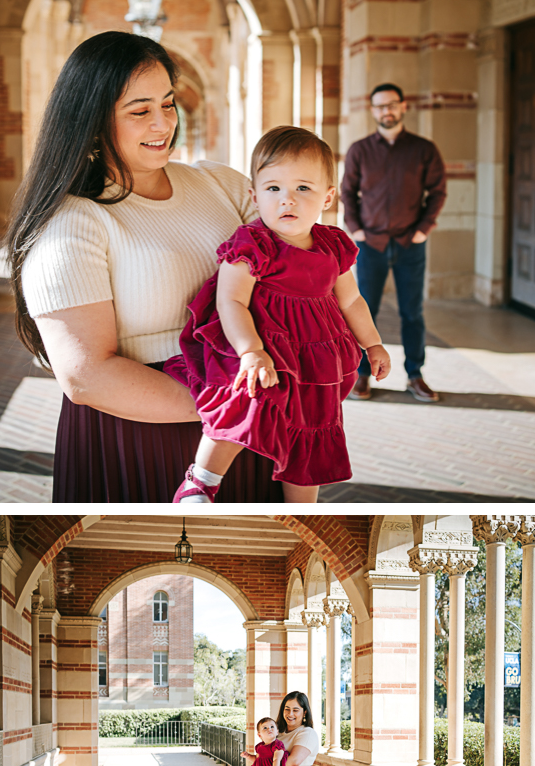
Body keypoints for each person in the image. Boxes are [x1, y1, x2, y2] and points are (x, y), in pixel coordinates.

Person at [7, 30, 283, 502]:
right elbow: (86, 375)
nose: (163, 124)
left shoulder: (222, 183)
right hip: (139, 437)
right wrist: (228, 406)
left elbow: (295, 270)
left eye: (169, 103)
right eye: (140, 111)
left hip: (248, 429)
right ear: (92, 122)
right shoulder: (71, 223)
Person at [164, 126, 392, 504]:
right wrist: (250, 350)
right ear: (255, 196)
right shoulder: (254, 245)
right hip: (264, 345)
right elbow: (230, 301)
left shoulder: (332, 246)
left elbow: (351, 301)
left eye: (303, 188)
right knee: (243, 399)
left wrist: (373, 343)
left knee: (315, 427)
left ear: (328, 197)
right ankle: (201, 481)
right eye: (274, 189)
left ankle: (302, 506)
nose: (288, 200)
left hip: (316, 359)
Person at [340, 82, 447, 403]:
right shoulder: (360, 150)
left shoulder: (423, 149)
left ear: (403, 107)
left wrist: (423, 230)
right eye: (379, 106)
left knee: (412, 312)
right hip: (369, 243)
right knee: (363, 309)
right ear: (373, 110)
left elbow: (438, 192)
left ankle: (415, 375)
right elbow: (347, 192)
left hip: (409, 244)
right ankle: (361, 375)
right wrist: (356, 230)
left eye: (391, 105)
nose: (386, 111)